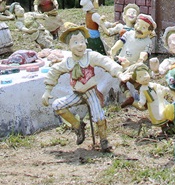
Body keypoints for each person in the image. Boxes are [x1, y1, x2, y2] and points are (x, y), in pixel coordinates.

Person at [41, 23, 124, 152]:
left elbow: (106, 62)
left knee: (99, 116)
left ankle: (104, 140)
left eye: (82, 41)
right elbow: (54, 71)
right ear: (69, 46)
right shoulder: (68, 62)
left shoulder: (90, 57)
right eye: (75, 42)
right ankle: (77, 126)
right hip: (77, 94)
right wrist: (47, 90)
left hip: (91, 93)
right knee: (57, 105)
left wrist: (119, 73)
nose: (80, 45)